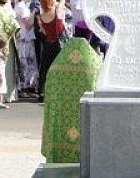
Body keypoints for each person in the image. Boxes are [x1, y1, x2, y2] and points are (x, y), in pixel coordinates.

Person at [41, 24, 101, 163]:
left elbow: (49, 88)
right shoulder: (94, 62)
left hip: (61, 115)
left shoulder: (59, 60)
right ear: (90, 36)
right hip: (84, 116)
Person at [36, 0, 68, 101]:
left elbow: (44, 32)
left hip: (48, 43)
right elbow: (63, 0)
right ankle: (60, 90)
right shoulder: (57, 11)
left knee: (45, 68)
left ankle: (42, 91)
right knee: (61, 67)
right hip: (59, 43)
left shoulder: (40, 17)